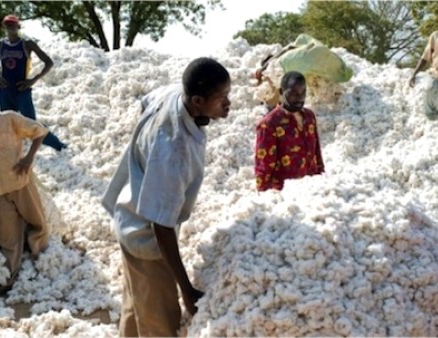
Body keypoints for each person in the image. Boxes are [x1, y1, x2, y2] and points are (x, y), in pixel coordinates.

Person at [102, 57, 231, 337]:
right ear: (197, 100)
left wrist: (144, 154)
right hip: (145, 240)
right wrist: (185, 289)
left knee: (137, 306)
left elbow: (145, 102)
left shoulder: (173, 93)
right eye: (222, 98)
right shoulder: (174, 150)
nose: (228, 103)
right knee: (160, 321)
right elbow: (160, 226)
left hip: (128, 216)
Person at [0, 87, 49, 294]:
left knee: (37, 222)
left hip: (20, 182)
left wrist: (29, 158)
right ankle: (8, 277)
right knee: (6, 235)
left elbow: (39, 131)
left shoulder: (9, 119)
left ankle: (42, 259)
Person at [0, 14, 67, 151]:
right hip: (5, 91)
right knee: (7, 125)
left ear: (18, 26)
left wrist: (33, 79)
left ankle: (59, 146)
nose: (10, 27)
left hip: (21, 91)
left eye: (13, 24)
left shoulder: (27, 44)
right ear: (3, 26)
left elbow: (48, 62)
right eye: (7, 24)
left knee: (32, 125)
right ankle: (12, 153)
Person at [254, 71, 325, 192]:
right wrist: (264, 196)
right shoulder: (270, 124)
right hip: (285, 195)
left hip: (312, 190)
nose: (299, 98)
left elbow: (316, 153)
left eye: (303, 93)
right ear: (281, 92)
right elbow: (263, 165)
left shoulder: (309, 117)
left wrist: (320, 178)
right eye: (293, 93)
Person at [409, 31, 438, 119]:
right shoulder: (435, 36)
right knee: (430, 87)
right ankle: (431, 117)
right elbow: (425, 57)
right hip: (436, 73)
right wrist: (414, 73)